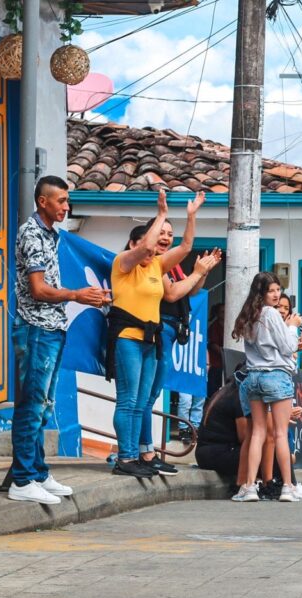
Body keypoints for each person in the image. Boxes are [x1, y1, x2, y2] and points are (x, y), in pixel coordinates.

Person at [8, 175, 111, 504]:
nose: (66, 207)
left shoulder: (51, 235)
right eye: (61, 201)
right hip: (36, 328)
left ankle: (36, 472)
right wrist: (77, 295)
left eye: (67, 202)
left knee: (44, 406)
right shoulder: (31, 233)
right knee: (32, 405)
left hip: (53, 327)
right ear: (43, 202)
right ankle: (22, 479)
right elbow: (38, 289)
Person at [108, 190, 195, 478]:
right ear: (135, 243)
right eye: (154, 237)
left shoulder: (157, 266)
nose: (156, 245)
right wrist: (160, 215)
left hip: (149, 341)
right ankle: (126, 456)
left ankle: (135, 456)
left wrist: (191, 215)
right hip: (127, 339)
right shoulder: (123, 263)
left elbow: (185, 247)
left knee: (142, 401)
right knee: (129, 399)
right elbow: (146, 248)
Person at [136, 191, 220, 453]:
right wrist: (196, 274)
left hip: (171, 334)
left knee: (151, 394)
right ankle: (144, 450)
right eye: (161, 232)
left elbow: (191, 290)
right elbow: (172, 292)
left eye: (169, 234)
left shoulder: (170, 264)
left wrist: (202, 273)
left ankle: (146, 450)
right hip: (157, 332)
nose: (165, 237)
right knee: (147, 397)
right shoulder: (151, 264)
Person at [230, 272, 302, 502]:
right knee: (280, 433)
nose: (276, 294)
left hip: (253, 376)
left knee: (258, 433)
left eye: (278, 290)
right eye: (271, 290)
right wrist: (291, 326)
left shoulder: (249, 314)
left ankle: (250, 486)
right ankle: (288, 487)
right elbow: (288, 345)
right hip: (276, 375)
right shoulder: (271, 313)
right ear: (261, 293)